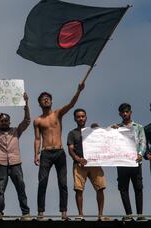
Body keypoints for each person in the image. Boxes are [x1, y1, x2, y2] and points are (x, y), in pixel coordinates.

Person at [34, 82, 84, 220]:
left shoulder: (57, 113)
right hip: (46, 153)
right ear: (39, 103)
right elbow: (37, 139)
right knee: (42, 182)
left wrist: (78, 91)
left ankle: (64, 212)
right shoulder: (37, 120)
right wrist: (36, 154)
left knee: (63, 183)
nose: (46, 99)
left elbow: (71, 105)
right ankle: (40, 212)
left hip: (59, 152)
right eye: (43, 98)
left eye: (47, 98)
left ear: (51, 101)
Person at [0, 92, 31, 220]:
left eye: (6, 120)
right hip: (1, 164)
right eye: (2, 121)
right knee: (0, 189)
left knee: (21, 188)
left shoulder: (16, 131)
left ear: (9, 121)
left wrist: (26, 103)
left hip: (15, 163)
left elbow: (27, 120)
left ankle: (25, 213)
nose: (4, 122)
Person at [67, 108, 108, 221]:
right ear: (75, 119)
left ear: (86, 117)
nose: (81, 118)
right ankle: (80, 214)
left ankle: (100, 215)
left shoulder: (93, 130)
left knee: (100, 188)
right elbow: (70, 149)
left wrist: (98, 129)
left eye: (83, 116)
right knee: (79, 189)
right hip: (79, 164)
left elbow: (103, 140)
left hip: (94, 163)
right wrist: (77, 159)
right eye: (78, 116)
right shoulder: (72, 133)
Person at [111, 103, 146, 221]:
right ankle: (129, 214)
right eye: (123, 112)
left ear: (130, 112)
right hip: (122, 162)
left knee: (138, 187)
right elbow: (107, 139)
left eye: (127, 111)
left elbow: (143, 142)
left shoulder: (138, 127)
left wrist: (140, 154)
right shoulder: (116, 128)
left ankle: (140, 215)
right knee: (123, 188)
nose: (125, 114)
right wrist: (109, 129)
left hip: (135, 162)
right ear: (120, 114)